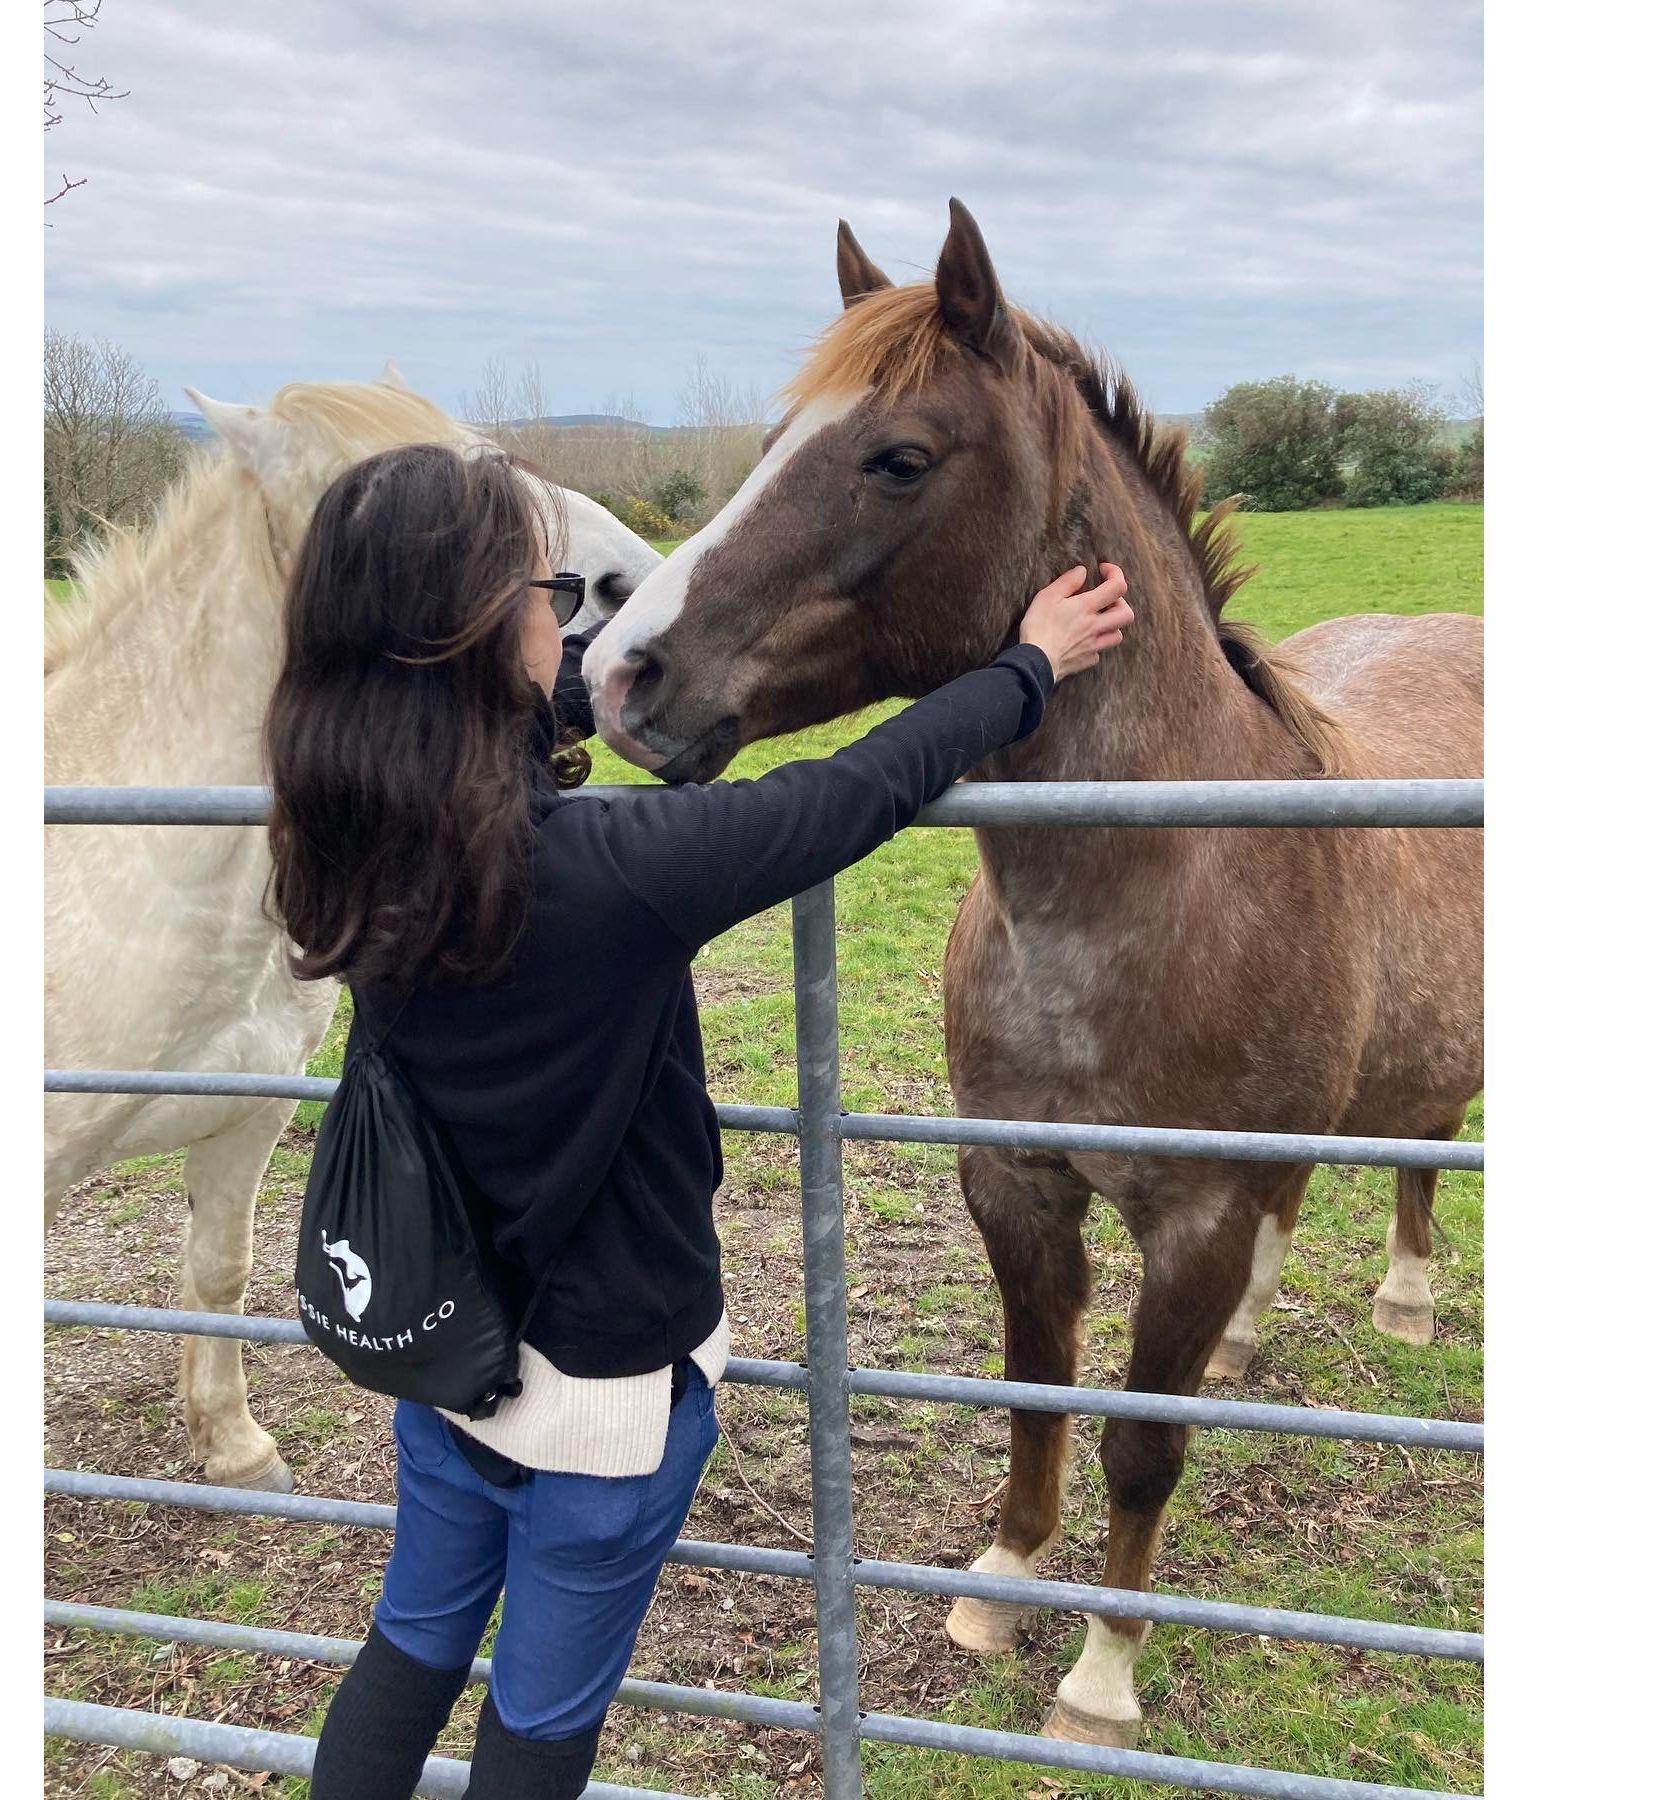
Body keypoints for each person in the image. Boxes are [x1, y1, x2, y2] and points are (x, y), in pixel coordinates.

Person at [265, 441, 1132, 1800]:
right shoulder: (608, 879)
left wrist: (598, 670)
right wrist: (1026, 670)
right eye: (544, 594)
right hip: (600, 1407)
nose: (563, 617)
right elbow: (849, 796)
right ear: (485, 635)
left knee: (410, 1650)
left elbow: (490, 727)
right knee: (541, 1727)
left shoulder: (343, 837)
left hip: (442, 1361)